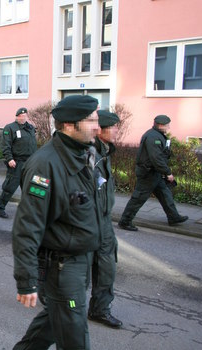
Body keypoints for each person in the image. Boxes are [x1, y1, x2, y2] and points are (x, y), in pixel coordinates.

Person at [12, 95, 101, 350]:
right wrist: (26, 280)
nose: (97, 125)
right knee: (75, 340)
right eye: (91, 120)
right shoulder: (45, 165)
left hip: (81, 260)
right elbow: (27, 226)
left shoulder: (85, 153)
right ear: (70, 125)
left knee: (53, 321)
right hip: (62, 269)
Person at [118, 115, 188, 231]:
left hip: (154, 172)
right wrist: (168, 172)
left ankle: (173, 217)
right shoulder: (152, 137)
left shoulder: (157, 135)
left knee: (165, 194)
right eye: (167, 125)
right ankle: (125, 221)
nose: (169, 127)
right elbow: (156, 158)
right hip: (148, 173)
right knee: (139, 198)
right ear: (160, 125)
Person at [88, 110, 123, 328]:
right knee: (72, 265)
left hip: (104, 220)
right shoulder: (89, 153)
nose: (117, 131)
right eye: (113, 127)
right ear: (100, 130)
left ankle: (100, 309)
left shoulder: (105, 152)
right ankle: (49, 294)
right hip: (89, 221)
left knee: (107, 264)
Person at [0, 107, 37, 218]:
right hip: (16, 162)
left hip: (29, 162)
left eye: (25, 116)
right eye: (21, 116)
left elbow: (32, 144)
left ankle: (28, 210)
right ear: (17, 116)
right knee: (10, 187)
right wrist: (9, 159)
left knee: (28, 187)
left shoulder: (30, 128)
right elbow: (5, 145)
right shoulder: (10, 128)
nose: (24, 117)